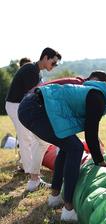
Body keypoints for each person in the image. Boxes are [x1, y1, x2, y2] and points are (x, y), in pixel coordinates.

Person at [18, 78, 106, 221]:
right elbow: (91, 134)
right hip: (34, 109)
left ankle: (55, 196)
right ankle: (69, 209)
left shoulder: (96, 95)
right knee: (75, 148)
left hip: (33, 107)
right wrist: (100, 162)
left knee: (69, 146)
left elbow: (89, 131)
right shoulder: (97, 98)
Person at [5, 47, 61, 191]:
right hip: (15, 105)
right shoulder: (31, 70)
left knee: (31, 138)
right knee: (27, 139)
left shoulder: (36, 71)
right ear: (46, 58)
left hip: (19, 105)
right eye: (53, 63)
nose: (54, 66)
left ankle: (31, 173)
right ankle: (32, 176)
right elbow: (34, 96)